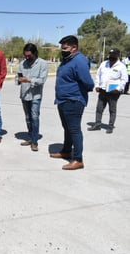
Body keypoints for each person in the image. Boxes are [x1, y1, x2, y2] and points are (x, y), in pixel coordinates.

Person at [50, 35, 94, 170]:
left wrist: (77, 93)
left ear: (74, 48)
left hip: (73, 100)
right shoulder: (67, 60)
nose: (63, 50)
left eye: (65, 48)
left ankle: (78, 159)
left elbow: (88, 82)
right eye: (62, 48)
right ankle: (66, 150)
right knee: (67, 128)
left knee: (74, 129)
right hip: (62, 100)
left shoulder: (79, 61)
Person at [16, 43, 48, 151]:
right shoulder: (22, 64)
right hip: (24, 95)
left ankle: (34, 141)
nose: (27, 58)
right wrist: (19, 80)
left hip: (36, 95)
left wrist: (29, 80)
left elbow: (42, 80)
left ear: (34, 53)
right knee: (28, 118)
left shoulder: (42, 63)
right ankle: (30, 137)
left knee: (34, 117)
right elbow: (18, 77)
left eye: (29, 56)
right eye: (25, 55)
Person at [87, 48, 127, 134]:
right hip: (103, 90)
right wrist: (97, 85)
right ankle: (97, 124)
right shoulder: (104, 64)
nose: (111, 56)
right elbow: (98, 75)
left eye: (114, 55)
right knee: (99, 108)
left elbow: (124, 80)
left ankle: (110, 126)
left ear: (118, 55)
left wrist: (119, 88)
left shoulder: (121, 66)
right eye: (110, 54)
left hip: (114, 92)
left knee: (112, 109)